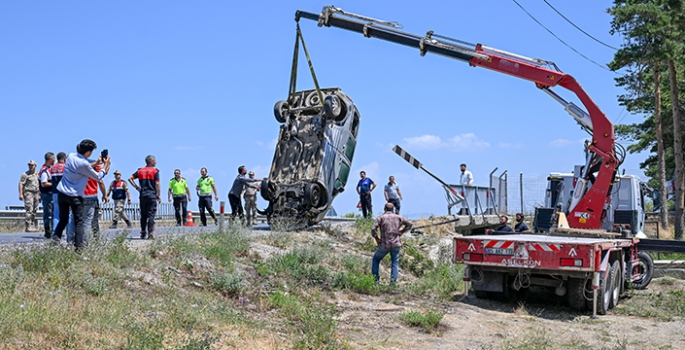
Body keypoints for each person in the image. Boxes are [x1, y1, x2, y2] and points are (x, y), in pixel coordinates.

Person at [53, 139, 110, 250]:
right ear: (88, 152)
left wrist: (97, 163)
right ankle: (79, 246)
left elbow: (81, 167)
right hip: (75, 195)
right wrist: (106, 164)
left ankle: (56, 239)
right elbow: (98, 176)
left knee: (64, 219)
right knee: (80, 222)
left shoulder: (71, 156)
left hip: (62, 192)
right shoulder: (84, 164)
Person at [371, 203, 413, 283]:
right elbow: (410, 224)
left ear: (384, 209)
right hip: (396, 244)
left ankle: (375, 281)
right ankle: (393, 283)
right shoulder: (398, 217)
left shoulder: (381, 218)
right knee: (395, 263)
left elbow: (373, 229)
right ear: (393, 209)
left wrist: (377, 239)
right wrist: (402, 232)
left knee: (376, 259)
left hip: (385, 244)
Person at [129, 155, 161, 239]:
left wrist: (137, 188)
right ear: (151, 162)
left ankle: (143, 232)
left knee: (143, 214)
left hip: (143, 195)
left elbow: (130, 178)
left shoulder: (140, 171)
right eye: (155, 161)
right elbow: (157, 184)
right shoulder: (155, 171)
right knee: (151, 214)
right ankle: (151, 232)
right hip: (152, 195)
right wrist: (159, 195)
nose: (156, 162)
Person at [80, 165, 108, 241]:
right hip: (92, 197)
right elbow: (101, 181)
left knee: (80, 219)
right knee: (93, 219)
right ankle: (96, 238)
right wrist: (104, 195)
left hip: (80, 197)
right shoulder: (94, 171)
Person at [19, 160, 40, 232]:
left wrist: (40, 195)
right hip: (29, 193)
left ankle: (33, 224)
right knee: (29, 209)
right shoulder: (25, 174)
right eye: (29, 165)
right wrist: (21, 194)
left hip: (36, 193)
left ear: (35, 166)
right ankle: (28, 226)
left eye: (32, 165)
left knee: (35, 209)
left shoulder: (37, 174)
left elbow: (39, 184)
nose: (31, 166)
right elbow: (21, 184)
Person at [38, 153, 56, 237]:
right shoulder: (45, 170)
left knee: (52, 213)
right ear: (50, 159)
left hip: (49, 194)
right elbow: (43, 183)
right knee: (49, 213)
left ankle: (52, 231)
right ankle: (48, 232)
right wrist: (54, 184)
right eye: (54, 159)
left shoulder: (48, 169)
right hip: (47, 195)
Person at [49, 152, 67, 234]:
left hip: (55, 192)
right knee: (68, 213)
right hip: (64, 192)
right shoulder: (65, 167)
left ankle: (55, 231)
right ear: (64, 158)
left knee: (56, 213)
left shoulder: (52, 168)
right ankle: (68, 232)